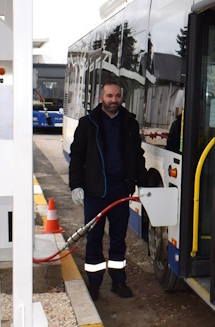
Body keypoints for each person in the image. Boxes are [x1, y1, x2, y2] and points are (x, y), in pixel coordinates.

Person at [69, 81, 146, 301]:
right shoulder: (88, 123)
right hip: (95, 192)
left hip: (120, 190)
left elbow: (137, 156)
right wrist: (76, 185)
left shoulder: (129, 123)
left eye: (118, 96)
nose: (114, 100)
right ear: (101, 97)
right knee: (94, 236)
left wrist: (142, 184)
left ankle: (118, 281)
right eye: (109, 96)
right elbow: (77, 156)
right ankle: (94, 284)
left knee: (118, 237)